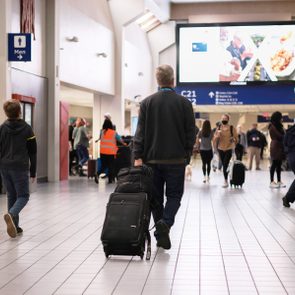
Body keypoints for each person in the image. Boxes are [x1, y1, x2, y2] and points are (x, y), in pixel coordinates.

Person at [133, 64, 195, 250]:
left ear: (157, 80)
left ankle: (161, 228)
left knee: (155, 198)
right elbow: (190, 134)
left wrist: (138, 156)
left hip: (151, 161)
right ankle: (165, 225)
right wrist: (186, 155)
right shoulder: (184, 103)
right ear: (173, 80)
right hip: (176, 161)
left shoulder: (147, 103)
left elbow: (140, 133)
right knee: (175, 196)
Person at [0, 99, 37, 238]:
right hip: (20, 167)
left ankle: (15, 226)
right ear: (19, 112)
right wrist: (33, 171)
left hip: (4, 167)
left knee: (12, 195)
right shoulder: (27, 129)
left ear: (6, 112)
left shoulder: (2, 128)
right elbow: (33, 152)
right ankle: (12, 214)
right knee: (23, 196)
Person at [95, 119, 126, 184]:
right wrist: (124, 144)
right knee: (111, 166)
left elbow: (100, 139)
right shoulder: (113, 132)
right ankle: (110, 179)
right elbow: (120, 140)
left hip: (103, 152)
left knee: (104, 166)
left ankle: (98, 174)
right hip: (110, 152)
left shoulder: (102, 132)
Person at [213, 114, 238, 188]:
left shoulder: (231, 128)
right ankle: (226, 177)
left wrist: (233, 139)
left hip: (229, 148)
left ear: (228, 119)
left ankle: (225, 180)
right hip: (220, 148)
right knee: (224, 165)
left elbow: (236, 138)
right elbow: (214, 139)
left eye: (225, 118)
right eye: (222, 118)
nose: (223, 120)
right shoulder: (219, 128)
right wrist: (217, 136)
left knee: (225, 164)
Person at [269, 112, 286, 188]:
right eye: (280, 117)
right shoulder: (272, 126)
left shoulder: (280, 126)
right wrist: (285, 135)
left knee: (279, 164)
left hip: (280, 146)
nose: (282, 119)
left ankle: (279, 181)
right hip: (275, 147)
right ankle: (272, 181)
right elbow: (279, 136)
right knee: (274, 164)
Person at [282, 124, 295, 207]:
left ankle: (287, 198)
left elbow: (285, 145)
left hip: (291, 157)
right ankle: (287, 198)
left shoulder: (290, 131)